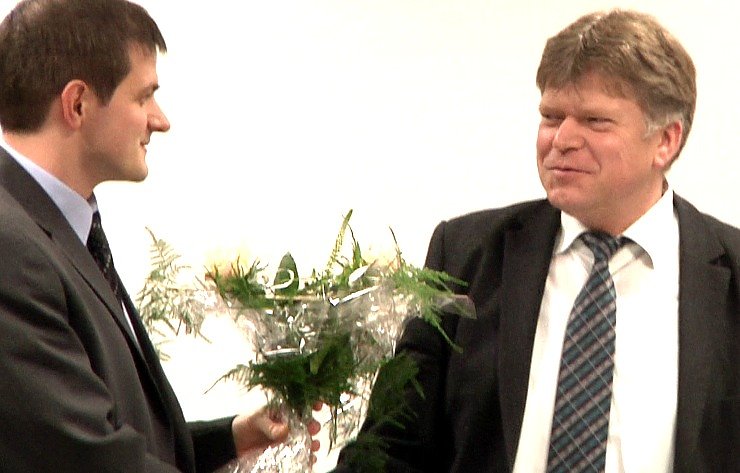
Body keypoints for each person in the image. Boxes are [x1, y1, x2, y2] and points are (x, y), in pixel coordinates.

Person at [335, 8, 738, 473]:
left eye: (595, 121)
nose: (561, 139)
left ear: (665, 141)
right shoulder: (465, 255)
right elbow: (390, 449)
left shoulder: (729, 272)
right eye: (551, 116)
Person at [0, 0, 319, 472]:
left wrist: (230, 439)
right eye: (143, 96)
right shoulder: (11, 250)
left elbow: (108, 429)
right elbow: (86, 459)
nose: (160, 119)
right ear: (78, 104)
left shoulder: (57, 230)